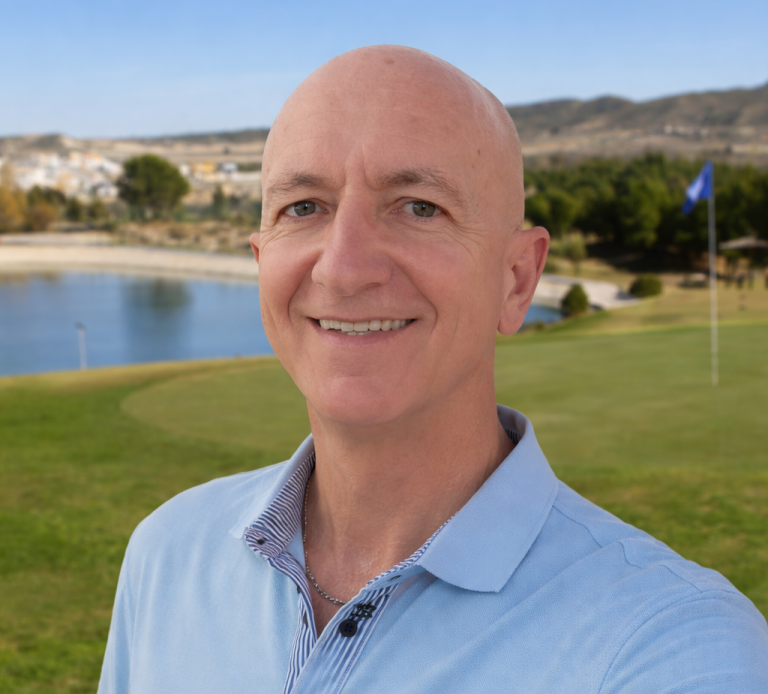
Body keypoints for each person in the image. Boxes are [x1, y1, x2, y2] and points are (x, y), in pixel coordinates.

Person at [98, 46, 768, 694]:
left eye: (420, 207)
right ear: (260, 259)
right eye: (303, 208)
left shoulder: (674, 651)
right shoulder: (166, 553)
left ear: (516, 279)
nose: (344, 268)